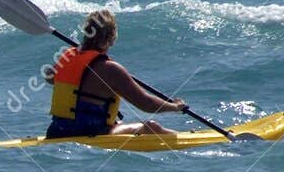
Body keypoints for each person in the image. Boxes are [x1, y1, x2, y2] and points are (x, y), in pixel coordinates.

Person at [44, 9, 186, 137]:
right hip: (91, 132)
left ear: (86, 34)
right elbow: (145, 103)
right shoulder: (111, 69)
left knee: (117, 123)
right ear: (111, 39)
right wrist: (174, 107)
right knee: (151, 127)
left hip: (57, 131)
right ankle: (185, 139)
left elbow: (49, 77)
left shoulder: (67, 57)